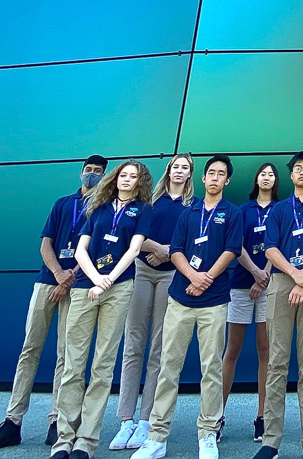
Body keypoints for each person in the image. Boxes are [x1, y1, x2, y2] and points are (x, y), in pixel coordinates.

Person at [0, 154, 107, 451]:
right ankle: (12, 422)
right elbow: (46, 242)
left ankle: (57, 422)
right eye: (88, 170)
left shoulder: (103, 209)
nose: (92, 175)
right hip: (47, 281)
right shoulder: (63, 203)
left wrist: (69, 278)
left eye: (98, 171)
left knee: (67, 355)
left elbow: (96, 250)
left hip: (78, 286)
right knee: (30, 350)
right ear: (80, 174)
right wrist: (57, 273)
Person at [133, 156, 245, 459]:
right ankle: (157, 437)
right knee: (169, 366)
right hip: (180, 298)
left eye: (221, 174)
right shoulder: (188, 211)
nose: (215, 178)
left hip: (214, 301)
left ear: (227, 181)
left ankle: (208, 433)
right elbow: (177, 249)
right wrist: (193, 276)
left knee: (211, 369)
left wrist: (206, 279)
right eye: (211, 173)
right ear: (204, 177)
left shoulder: (233, 213)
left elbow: (232, 250)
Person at [50, 160, 152, 459]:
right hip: (84, 288)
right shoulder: (98, 206)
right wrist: (95, 278)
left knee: (102, 367)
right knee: (73, 365)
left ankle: (85, 442)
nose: (127, 180)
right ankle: (63, 440)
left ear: (139, 182)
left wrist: (107, 282)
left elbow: (134, 250)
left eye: (133, 177)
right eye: (123, 175)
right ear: (115, 178)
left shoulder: (143, 210)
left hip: (118, 289)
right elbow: (81, 249)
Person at [252, 151, 303, 459]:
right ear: (290, 176)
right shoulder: (279, 210)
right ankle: (270, 442)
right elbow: (270, 249)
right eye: (297, 169)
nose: (302, 172)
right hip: (282, 283)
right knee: (276, 362)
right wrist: (295, 275)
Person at [112, 154, 195, 450]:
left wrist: (168, 252)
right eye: (175, 166)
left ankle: (146, 419)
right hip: (142, 270)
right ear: (169, 171)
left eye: (185, 167)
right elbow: (135, 234)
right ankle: (126, 419)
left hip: (171, 275)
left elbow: (191, 240)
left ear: (190, 175)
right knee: (134, 343)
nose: (179, 171)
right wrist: (157, 247)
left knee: (159, 348)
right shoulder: (150, 200)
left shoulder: (193, 206)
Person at [222, 163, 280, 443]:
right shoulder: (242, 210)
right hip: (242, 284)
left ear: (276, 180)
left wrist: (265, 274)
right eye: (262, 173)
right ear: (256, 178)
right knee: (231, 350)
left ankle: (262, 417)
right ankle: (216, 416)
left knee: (265, 351)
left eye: (271, 174)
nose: (266, 177)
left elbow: (277, 243)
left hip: (270, 285)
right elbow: (236, 244)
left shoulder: (282, 209)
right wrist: (255, 273)